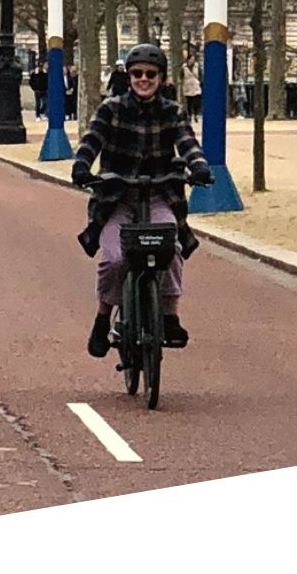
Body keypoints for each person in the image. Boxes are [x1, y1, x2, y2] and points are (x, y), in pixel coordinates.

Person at [70, 43, 213, 357]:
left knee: (171, 247)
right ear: (129, 76)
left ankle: (169, 315)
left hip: (161, 193)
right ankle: (102, 318)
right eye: (137, 74)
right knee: (114, 258)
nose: (143, 79)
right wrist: (82, 166)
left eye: (150, 74)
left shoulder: (173, 111)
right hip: (116, 197)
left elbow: (187, 142)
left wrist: (198, 166)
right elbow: (91, 139)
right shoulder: (111, 109)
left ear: (161, 77)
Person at [179, 54, 203, 121]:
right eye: (191, 59)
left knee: (196, 101)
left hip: (196, 86)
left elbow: (200, 75)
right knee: (189, 102)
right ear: (188, 59)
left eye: (193, 59)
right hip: (188, 86)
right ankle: (189, 115)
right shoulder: (184, 67)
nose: (192, 60)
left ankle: (196, 114)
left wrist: (199, 81)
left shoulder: (197, 66)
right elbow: (181, 76)